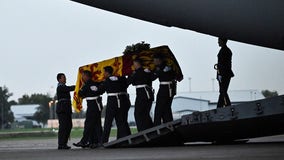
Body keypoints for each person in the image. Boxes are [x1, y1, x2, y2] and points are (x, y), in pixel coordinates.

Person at [100, 66, 131, 143]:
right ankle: (123, 139)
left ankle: (104, 141)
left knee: (108, 122)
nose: (103, 74)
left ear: (107, 73)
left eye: (104, 72)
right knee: (121, 121)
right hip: (122, 100)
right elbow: (126, 84)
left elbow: (100, 90)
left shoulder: (106, 81)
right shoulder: (121, 79)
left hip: (112, 101)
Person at [73, 70, 103, 148]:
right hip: (98, 106)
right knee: (97, 124)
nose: (82, 77)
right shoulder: (96, 83)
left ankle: (84, 141)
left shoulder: (86, 85)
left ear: (86, 76)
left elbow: (80, 94)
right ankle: (98, 141)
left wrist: (83, 88)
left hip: (92, 107)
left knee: (88, 124)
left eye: (83, 76)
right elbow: (101, 90)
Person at [127, 58, 154, 132]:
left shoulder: (137, 72)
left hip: (142, 95)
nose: (133, 66)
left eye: (134, 64)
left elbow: (129, 82)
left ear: (136, 64)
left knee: (138, 114)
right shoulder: (146, 71)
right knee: (145, 113)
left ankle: (141, 131)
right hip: (148, 94)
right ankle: (150, 129)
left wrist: (131, 74)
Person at [152, 54, 177, 126]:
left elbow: (153, 77)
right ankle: (169, 123)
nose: (154, 62)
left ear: (158, 60)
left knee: (159, 109)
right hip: (169, 89)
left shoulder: (162, 67)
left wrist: (158, 71)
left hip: (165, 89)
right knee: (166, 109)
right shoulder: (166, 66)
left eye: (155, 60)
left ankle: (157, 125)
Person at [56, 73, 75, 150]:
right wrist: (77, 85)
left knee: (69, 125)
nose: (65, 79)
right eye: (63, 78)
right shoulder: (60, 87)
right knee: (63, 127)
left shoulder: (63, 87)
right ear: (59, 79)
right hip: (62, 110)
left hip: (66, 109)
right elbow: (69, 88)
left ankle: (64, 143)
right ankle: (61, 144)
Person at [215, 37, 234, 108]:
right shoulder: (225, 50)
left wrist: (220, 74)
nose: (218, 42)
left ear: (223, 41)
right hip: (224, 74)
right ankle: (226, 105)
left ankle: (221, 106)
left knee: (223, 91)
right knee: (223, 91)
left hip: (224, 74)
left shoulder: (225, 51)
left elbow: (224, 64)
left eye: (219, 41)